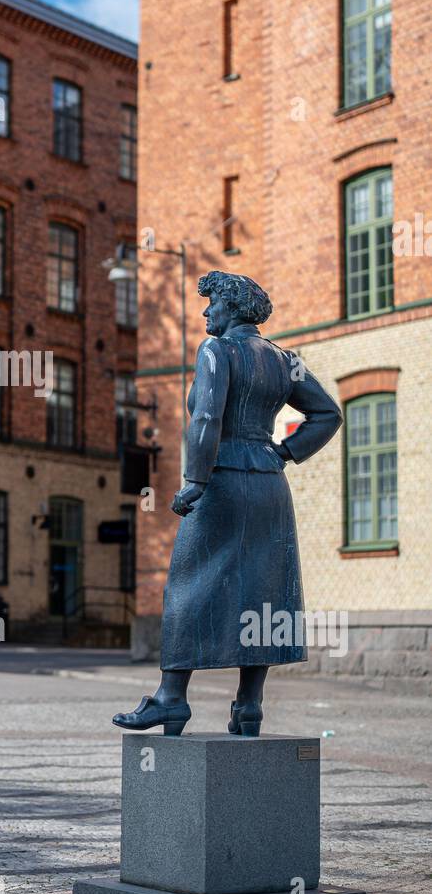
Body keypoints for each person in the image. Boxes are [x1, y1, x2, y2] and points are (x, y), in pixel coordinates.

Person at [113, 270, 342, 737]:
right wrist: (283, 452)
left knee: (187, 583)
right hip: (269, 485)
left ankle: (171, 699)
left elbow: (207, 418)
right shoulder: (285, 360)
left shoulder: (217, 351)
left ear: (234, 306)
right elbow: (328, 413)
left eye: (212, 302)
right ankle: (249, 706)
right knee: (264, 590)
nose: (205, 311)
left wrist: (194, 481)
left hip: (222, 480)